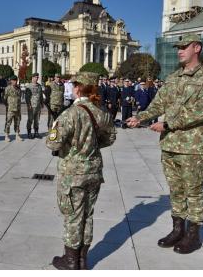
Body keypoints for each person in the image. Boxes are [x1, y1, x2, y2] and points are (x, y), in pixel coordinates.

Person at [127, 34, 203, 254]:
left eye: (184, 46)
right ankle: (177, 229)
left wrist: (167, 124)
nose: (179, 50)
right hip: (169, 146)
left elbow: (199, 112)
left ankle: (193, 235)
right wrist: (140, 117)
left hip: (192, 149)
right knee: (176, 191)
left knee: (194, 192)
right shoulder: (173, 77)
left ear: (196, 48)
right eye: (178, 47)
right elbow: (158, 103)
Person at [46, 71, 116, 270]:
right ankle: (83, 260)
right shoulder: (101, 113)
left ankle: (70, 261)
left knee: (73, 216)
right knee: (87, 214)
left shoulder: (70, 114)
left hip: (73, 174)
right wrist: (90, 147)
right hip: (94, 171)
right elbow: (110, 138)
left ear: (78, 88)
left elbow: (53, 143)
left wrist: (63, 139)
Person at [4, 75, 22, 142]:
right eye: (14, 80)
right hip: (10, 109)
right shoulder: (8, 88)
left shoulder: (18, 88)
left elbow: (19, 97)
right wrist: (8, 106)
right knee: (8, 122)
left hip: (17, 109)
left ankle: (17, 135)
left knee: (17, 122)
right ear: (11, 81)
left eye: (16, 80)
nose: (15, 82)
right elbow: (5, 98)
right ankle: (6, 135)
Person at [25, 72, 43, 139]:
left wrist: (42, 103)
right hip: (31, 106)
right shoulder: (29, 86)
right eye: (36, 77)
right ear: (32, 78)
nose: (37, 78)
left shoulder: (39, 86)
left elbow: (40, 95)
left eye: (37, 77)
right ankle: (29, 133)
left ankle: (36, 132)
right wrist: (28, 105)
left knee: (37, 119)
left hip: (38, 106)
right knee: (30, 119)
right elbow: (27, 97)